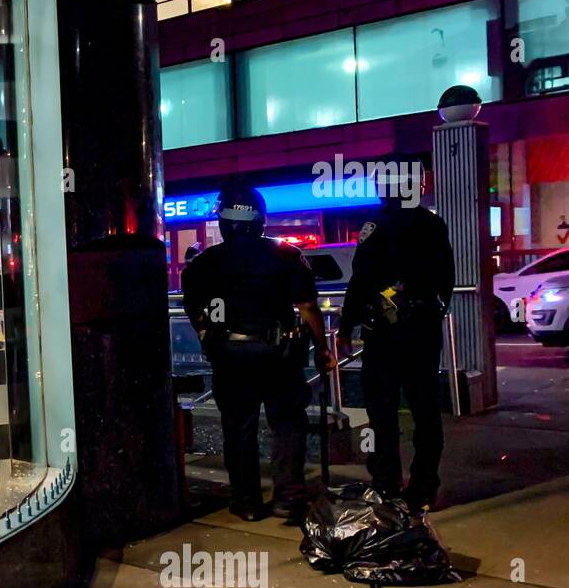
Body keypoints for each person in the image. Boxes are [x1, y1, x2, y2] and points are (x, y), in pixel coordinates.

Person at [182, 186, 334, 521]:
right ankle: (289, 497)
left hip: (231, 357)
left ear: (224, 221)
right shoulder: (286, 255)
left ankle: (247, 501)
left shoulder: (206, 262)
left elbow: (194, 307)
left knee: (238, 428)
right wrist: (323, 350)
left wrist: (207, 335)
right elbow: (308, 307)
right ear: (259, 219)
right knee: (288, 424)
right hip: (279, 355)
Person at [337, 188, 454, 512]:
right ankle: (425, 487)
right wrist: (432, 315)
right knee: (425, 409)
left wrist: (346, 327)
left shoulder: (375, 225)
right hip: (423, 329)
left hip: (385, 331)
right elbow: (447, 279)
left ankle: (387, 483)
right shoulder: (433, 224)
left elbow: (359, 281)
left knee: (382, 410)